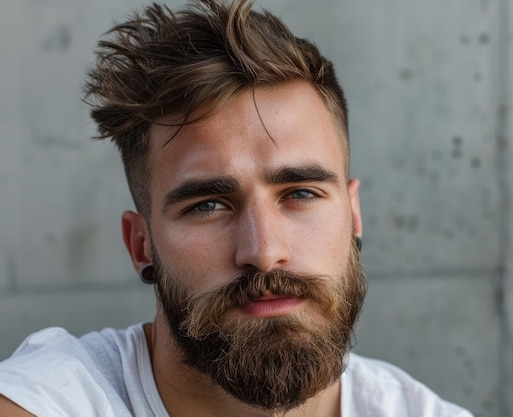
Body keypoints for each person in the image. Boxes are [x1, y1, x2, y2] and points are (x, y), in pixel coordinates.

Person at [0, 1, 474, 416]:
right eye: (207, 204)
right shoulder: (53, 401)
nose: (264, 252)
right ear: (141, 244)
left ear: (352, 215)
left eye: (301, 194)